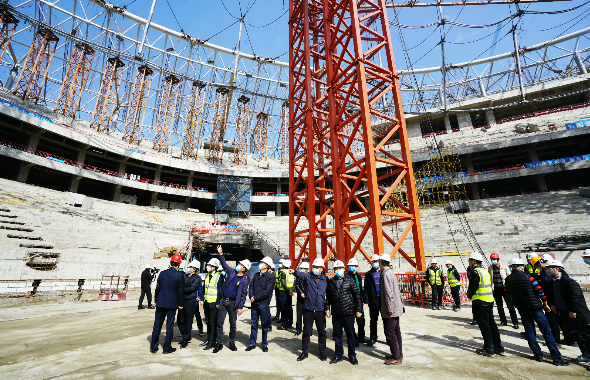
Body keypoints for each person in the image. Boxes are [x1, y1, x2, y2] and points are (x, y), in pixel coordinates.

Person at [504, 258, 568, 366]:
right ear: (522, 267)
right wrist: (545, 303)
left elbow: (507, 292)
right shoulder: (528, 277)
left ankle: (537, 354)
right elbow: (539, 290)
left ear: (511, 267)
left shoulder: (508, 279)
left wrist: (516, 300)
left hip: (522, 308)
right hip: (535, 307)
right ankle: (556, 357)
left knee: (530, 331)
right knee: (547, 332)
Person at [546, 259, 590, 367]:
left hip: (576, 314)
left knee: (586, 335)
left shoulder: (569, 282)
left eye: (549, 268)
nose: (547, 271)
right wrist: (552, 304)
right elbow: (551, 295)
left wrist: (573, 310)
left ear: (556, 268)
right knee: (576, 335)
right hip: (565, 314)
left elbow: (576, 297)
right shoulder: (552, 282)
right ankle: (585, 354)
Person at [290, 258, 329, 362]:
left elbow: (328, 295)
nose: (315, 269)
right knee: (306, 331)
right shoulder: (308, 276)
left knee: (322, 332)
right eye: (314, 267)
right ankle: (304, 352)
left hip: (320, 309)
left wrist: (327, 308)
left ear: (322, 268)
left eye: (317, 267)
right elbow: (300, 274)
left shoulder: (325, 279)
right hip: (308, 308)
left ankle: (322, 352)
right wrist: (294, 271)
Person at [466, 251, 504, 357]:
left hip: (480, 302)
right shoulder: (485, 271)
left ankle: (488, 349)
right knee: (492, 324)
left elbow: (472, 288)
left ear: (474, 261)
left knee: (484, 326)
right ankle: (498, 348)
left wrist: (468, 295)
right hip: (489, 301)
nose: (468, 262)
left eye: (469, 260)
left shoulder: (476, 272)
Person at [215, 245, 250, 353]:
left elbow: (243, 295)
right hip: (223, 301)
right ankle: (219, 343)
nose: (238, 265)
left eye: (240, 265)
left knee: (233, 324)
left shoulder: (244, 280)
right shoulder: (232, 272)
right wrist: (221, 254)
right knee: (219, 323)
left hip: (233, 304)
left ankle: (231, 342)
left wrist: (240, 307)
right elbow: (224, 264)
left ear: (244, 269)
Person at [325, 260, 362, 365]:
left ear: (343, 269)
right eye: (336, 269)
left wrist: (359, 309)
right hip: (336, 314)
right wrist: (327, 308)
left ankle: (352, 356)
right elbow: (328, 297)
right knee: (337, 336)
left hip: (348, 313)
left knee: (350, 336)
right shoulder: (331, 282)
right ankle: (338, 355)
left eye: (339, 269)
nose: (338, 271)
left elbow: (357, 296)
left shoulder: (350, 280)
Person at [150, 254, 184, 354]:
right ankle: (166, 348)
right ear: (178, 264)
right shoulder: (179, 275)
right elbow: (180, 291)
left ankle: (154, 347)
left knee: (157, 325)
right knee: (169, 326)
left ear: (170, 262)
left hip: (160, 302)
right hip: (172, 303)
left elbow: (158, 288)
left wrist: (156, 300)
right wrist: (181, 303)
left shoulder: (162, 273)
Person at [380, 253, 404, 365]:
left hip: (391, 309)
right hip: (396, 307)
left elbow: (388, 293)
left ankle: (396, 356)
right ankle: (398, 354)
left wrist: (390, 308)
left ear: (381, 263)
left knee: (390, 332)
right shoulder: (391, 273)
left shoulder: (385, 274)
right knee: (396, 331)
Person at [247, 256, 275, 352]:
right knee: (254, 324)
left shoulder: (270, 277)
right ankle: (252, 343)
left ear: (266, 266)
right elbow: (251, 286)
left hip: (263, 304)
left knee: (264, 325)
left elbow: (267, 292)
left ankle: (264, 344)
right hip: (254, 303)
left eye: (262, 262)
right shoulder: (256, 275)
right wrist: (251, 296)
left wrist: (255, 298)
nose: (260, 264)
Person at [488, 253, 519, 329]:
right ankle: (503, 321)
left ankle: (515, 322)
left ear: (498, 260)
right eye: (492, 260)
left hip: (505, 289)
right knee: (499, 306)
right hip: (496, 289)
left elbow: (509, 276)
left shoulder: (504, 268)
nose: (493, 261)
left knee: (510, 306)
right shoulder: (490, 268)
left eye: (494, 260)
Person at [200, 258, 224, 350]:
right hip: (206, 302)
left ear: (214, 267)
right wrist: (202, 299)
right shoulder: (207, 275)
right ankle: (208, 339)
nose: (208, 267)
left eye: (209, 265)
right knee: (208, 322)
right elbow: (204, 288)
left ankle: (212, 342)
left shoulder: (219, 276)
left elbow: (220, 291)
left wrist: (218, 302)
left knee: (213, 323)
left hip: (214, 303)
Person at [177, 260, 201, 349]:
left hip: (191, 301)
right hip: (183, 300)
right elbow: (180, 285)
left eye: (190, 267)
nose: (188, 268)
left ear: (194, 269)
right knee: (180, 320)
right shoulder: (184, 276)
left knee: (188, 321)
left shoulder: (197, 278)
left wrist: (182, 289)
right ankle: (186, 335)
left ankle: (185, 340)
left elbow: (191, 289)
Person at [346, 258, 367, 347]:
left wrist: (364, 299)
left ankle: (361, 337)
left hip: (358, 301)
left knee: (361, 321)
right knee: (351, 321)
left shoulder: (358, 276)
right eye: (351, 266)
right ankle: (353, 338)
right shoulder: (347, 276)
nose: (352, 267)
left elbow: (361, 290)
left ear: (357, 267)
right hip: (350, 301)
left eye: (354, 266)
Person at [364, 254, 381, 345]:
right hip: (373, 300)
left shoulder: (384, 272)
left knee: (387, 321)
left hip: (383, 301)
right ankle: (373, 338)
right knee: (373, 320)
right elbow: (366, 287)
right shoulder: (369, 274)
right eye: (374, 262)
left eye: (377, 261)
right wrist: (366, 299)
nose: (375, 263)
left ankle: (389, 339)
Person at [277, 259, 295, 331]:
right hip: (289, 292)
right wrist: (291, 290)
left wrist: (288, 291)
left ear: (284, 265)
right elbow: (294, 283)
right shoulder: (291, 272)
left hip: (284, 293)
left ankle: (284, 324)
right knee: (289, 308)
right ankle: (290, 323)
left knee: (284, 308)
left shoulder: (283, 272)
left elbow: (283, 283)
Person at [294, 261, 309, 336]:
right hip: (300, 298)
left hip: (307, 299)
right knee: (299, 315)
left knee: (307, 316)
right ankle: (298, 329)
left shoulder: (309, 277)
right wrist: (301, 293)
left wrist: (306, 294)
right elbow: (297, 285)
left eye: (302, 268)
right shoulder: (299, 277)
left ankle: (309, 329)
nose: (300, 269)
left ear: (306, 269)